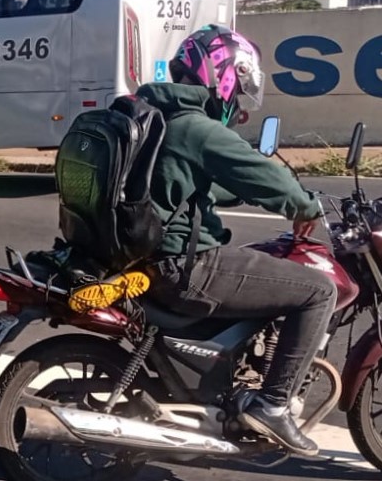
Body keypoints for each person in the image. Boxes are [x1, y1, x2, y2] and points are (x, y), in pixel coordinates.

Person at [137, 24, 336, 456]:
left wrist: (248, 189)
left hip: (144, 258)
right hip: (183, 266)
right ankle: (274, 404)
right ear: (224, 75)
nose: (238, 102)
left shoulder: (154, 113)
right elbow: (263, 172)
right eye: (239, 88)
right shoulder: (196, 127)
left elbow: (200, 183)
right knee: (319, 290)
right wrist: (302, 206)